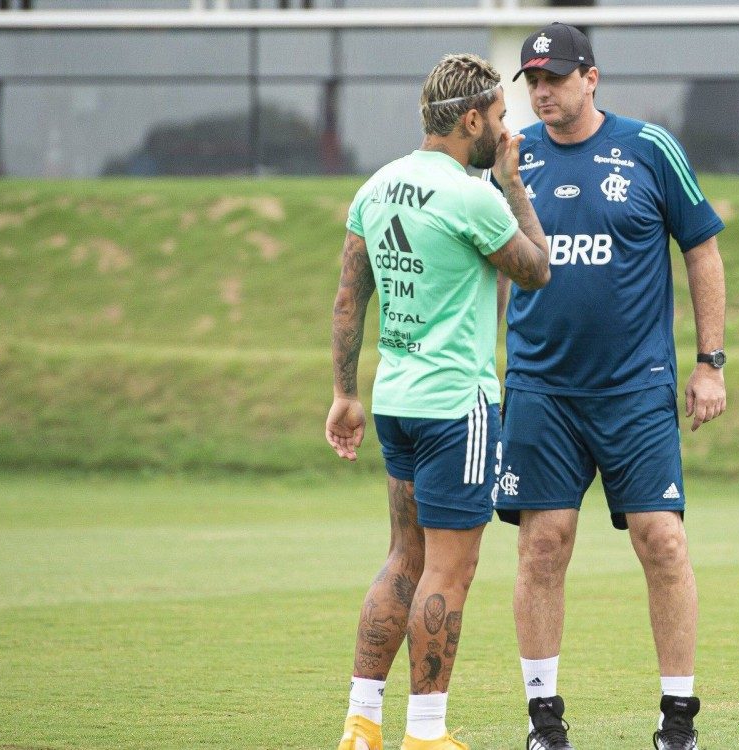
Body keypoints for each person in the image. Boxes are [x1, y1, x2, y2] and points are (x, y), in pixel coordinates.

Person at [492, 23, 727, 750]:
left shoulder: (650, 150)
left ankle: (678, 723)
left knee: (663, 542)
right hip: (542, 389)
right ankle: (544, 723)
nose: (541, 91)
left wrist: (709, 362)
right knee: (544, 547)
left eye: (555, 78)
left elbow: (703, 250)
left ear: (592, 78)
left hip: (635, 390)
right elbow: (483, 262)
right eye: (532, 80)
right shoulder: (512, 160)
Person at [326, 53, 550, 750]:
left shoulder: (378, 186)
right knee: (451, 568)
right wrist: (513, 188)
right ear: (472, 118)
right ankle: (426, 734)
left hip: (396, 399)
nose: (507, 131)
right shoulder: (472, 194)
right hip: (458, 406)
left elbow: (347, 297)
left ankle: (362, 723)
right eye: (502, 118)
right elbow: (538, 268)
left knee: (403, 558)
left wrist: (343, 394)